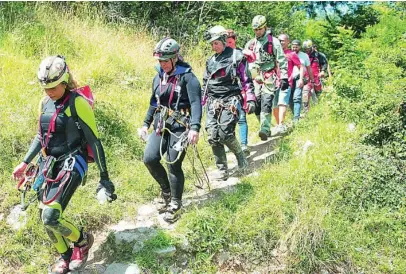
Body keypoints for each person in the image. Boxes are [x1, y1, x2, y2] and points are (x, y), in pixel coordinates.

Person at [11, 55, 116, 274]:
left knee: (51, 216)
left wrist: (104, 177)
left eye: (53, 87)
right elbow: (41, 137)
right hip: (48, 164)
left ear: (65, 81)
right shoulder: (45, 103)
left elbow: (95, 141)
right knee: (44, 217)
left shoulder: (77, 103)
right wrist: (24, 163)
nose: (49, 92)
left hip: (73, 162)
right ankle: (65, 256)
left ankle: (82, 241)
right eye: (45, 88)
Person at [140, 38, 202, 223]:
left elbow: (196, 104)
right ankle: (166, 191)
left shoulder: (188, 78)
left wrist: (195, 128)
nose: (162, 64)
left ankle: (176, 203)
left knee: (172, 163)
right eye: (160, 61)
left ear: (175, 58)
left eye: (165, 61)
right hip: (161, 124)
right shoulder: (158, 76)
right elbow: (154, 102)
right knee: (149, 158)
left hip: (181, 126)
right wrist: (145, 124)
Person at [202, 25, 256, 180]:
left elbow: (246, 80)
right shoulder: (210, 60)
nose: (214, 47)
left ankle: (241, 159)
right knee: (213, 135)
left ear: (224, 40)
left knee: (225, 133)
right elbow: (205, 84)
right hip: (213, 101)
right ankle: (222, 169)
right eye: (212, 44)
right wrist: (199, 104)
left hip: (231, 99)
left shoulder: (237, 56)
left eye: (216, 43)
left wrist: (250, 98)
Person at [244, 15, 288, 141]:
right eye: (255, 30)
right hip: (255, 76)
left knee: (267, 102)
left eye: (259, 29)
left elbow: (282, 60)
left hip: (269, 75)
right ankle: (264, 126)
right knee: (257, 103)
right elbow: (244, 61)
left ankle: (265, 129)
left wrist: (284, 77)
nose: (257, 32)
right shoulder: (251, 44)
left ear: (264, 27)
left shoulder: (273, 42)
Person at [272, 34, 304, 134]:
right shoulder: (274, 52)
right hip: (273, 83)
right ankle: (278, 125)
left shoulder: (291, 54)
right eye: (279, 40)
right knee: (274, 105)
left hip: (286, 82)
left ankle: (281, 124)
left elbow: (301, 66)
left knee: (282, 102)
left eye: (283, 41)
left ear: (288, 42)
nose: (281, 42)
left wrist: (301, 79)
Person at [226, 29, 249, 155]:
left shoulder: (240, 55)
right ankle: (232, 144)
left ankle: (244, 144)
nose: (228, 45)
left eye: (230, 42)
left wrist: (247, 93)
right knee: (229, 119)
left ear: (234, 41)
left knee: (241, 118)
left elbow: (246, 76)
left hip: (239, 90)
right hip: (225, 92)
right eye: (226, 42)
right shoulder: (221, 57)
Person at [290, 39, 314, 122]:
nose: (294, 49)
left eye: (296, 47)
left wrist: (312, 80)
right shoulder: (288, 54)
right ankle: (294, 114)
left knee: (297, 97)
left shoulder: (304, 56)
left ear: (299, 47)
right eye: (293, 47)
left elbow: (309, 69)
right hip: (289, 79)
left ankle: (296, 118)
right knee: (290, 98)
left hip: (299, 79)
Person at [302, 40, 323, 113]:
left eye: (308, 49)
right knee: (305, 93)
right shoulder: (303, 55)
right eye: (305, 49)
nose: (306, 50)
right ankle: (305, 110)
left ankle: (320, 108)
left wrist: (323, 71)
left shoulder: (318, 55)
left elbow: (324, 63)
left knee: (318, 93)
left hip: (316, 78)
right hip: (307, 79)